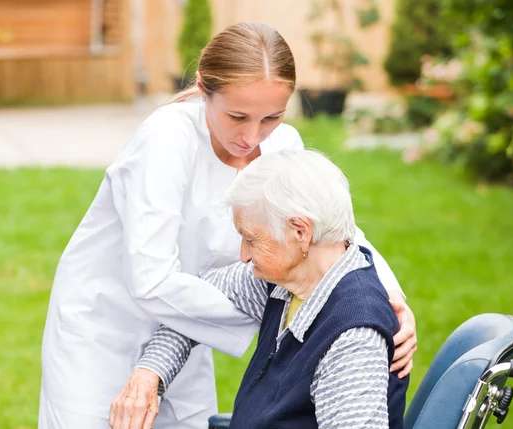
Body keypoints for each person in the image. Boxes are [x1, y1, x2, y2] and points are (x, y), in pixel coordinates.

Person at [38, 22, 416, 429]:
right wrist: (280, 309)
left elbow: (336, 233)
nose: (252, 136)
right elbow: (150, 281)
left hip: (186, 322)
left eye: (271, 116)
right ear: (203, 89)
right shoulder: (165, 141)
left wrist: (390, 300)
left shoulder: (282, 145)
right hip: (104, 329)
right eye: (237, 116)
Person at [111, 150, 410, 429]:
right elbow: (188, 309)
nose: (243, 255)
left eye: (251, 239)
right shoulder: (283, 282)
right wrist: (149, 374)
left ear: (300, 232)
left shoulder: (352, 339)